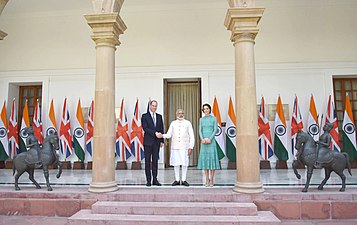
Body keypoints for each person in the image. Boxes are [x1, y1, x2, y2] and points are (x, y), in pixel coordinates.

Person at [161, 109, 195, 187]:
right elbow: (169, 134)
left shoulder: (188, 123)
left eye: (182, 113)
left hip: (185, 147)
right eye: (179, 113)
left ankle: (183, 180)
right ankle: (177, 180)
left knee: (184, 163)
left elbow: (191, 136)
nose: (181, 115)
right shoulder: (173, 123)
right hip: (175, 146)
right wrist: (162, 135)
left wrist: (191, 147)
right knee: (176, 164)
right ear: (176, 114)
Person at [141, 100, 164, 186]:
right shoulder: (144, 116)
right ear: (150, 106)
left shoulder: (159, 116)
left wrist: (162, 141)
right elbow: (145, 128)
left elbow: (162, 128)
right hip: (148, 142)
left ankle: (155, 179)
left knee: (155, 161)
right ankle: (148, 180)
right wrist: (155, 133)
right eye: (153, 106)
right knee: (147, 162)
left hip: (157, 142)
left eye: (155, 106)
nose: (154, 107)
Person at [197, 103, 220, 187]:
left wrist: (210, 138)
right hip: (203, 142)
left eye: (207, 108)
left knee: (212, 159)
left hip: (211, 141)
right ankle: (206, 179)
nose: (206, 110)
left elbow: (215, 130)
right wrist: (202, 139)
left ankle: (212, 179)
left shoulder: (214, 118)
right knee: (205, 160)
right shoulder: (201, 119)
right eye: (204, 109)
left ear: (210, 109)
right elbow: (200, 130)